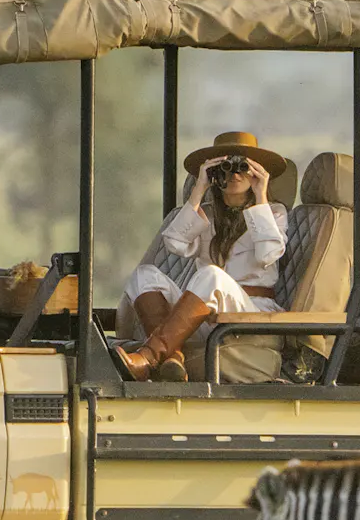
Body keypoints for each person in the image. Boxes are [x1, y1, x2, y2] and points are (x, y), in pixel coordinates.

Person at [112, 130, 290, 381]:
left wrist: (261, 195)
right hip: (206, 317)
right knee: (144, 275)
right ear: (216, 174)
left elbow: (269, 254)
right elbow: (174, 243)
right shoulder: (206, 213)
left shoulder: (274, 212)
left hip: (250, 313)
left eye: (244, 167)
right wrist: (198, 189)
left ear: (256, 172)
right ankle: (172, 358)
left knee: (211, 275)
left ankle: (150, 357)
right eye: (226, 167)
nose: (236, 173)